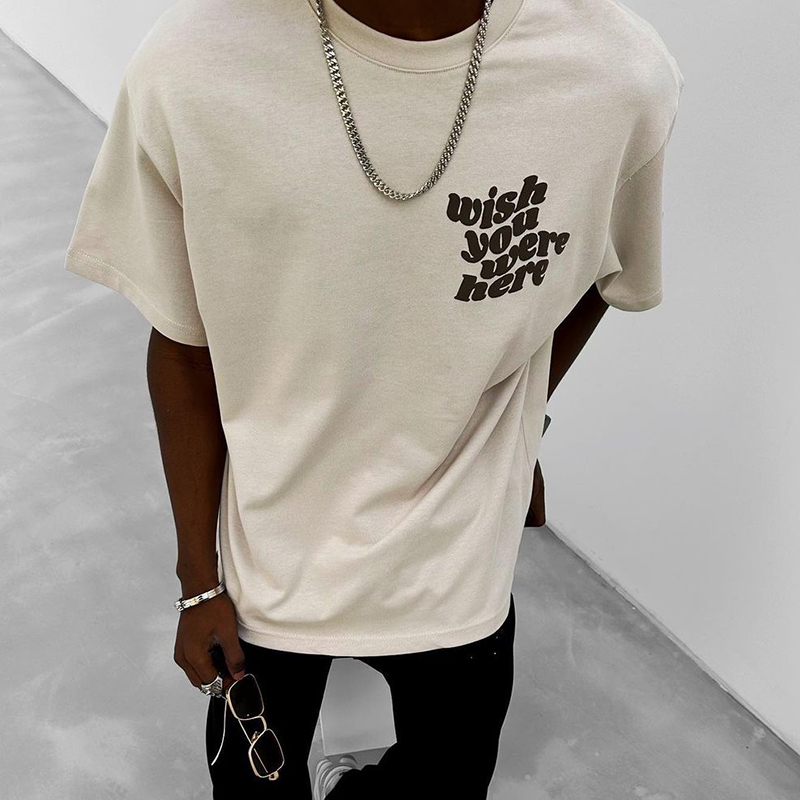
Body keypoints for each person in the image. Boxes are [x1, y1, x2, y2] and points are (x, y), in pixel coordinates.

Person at [63, 0, 684, 796]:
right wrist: (198, 580)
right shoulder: (191, 68)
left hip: (458, 561)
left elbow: (602, 271)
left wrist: (521, 424)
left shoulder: (615, 74)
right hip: (270, 566)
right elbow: (184, 345)